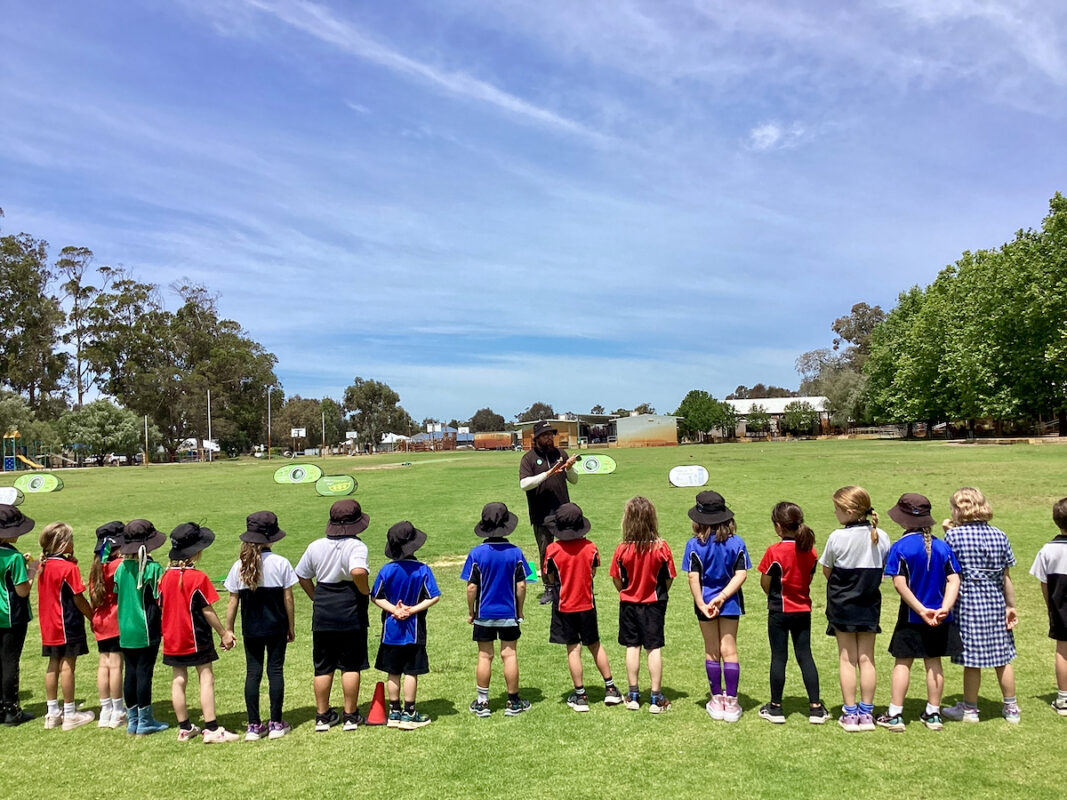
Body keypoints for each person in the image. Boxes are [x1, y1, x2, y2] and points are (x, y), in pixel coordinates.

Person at [876, 494, 962, 732]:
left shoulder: (901, 547)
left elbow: (899, 583)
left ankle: (895, 714)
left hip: (912, 616)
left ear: (903, 521)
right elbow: (954, 579)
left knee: (903, 662)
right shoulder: (942, 546)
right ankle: (933, 714)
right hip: (940, 617)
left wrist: (921, 610)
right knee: (933, 663)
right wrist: (944, 607)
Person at [941, 487, 1020, 723]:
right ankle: (1011, 708)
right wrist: (1010, 606)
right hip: (996, 602)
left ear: (958, 510)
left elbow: (950, 571)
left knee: (972, 661)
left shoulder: (954, 537)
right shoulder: (999, 534)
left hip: (968, 604)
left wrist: (948, 531)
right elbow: (1006, 575)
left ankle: (970, 709)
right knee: (1002, 658)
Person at [296, 499, 372, 732]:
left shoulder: (315, 545)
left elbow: (302, 575)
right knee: (351, 664)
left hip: (324, 606)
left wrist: (316, 596)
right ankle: (350, 715)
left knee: (323, 665)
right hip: (349, 606)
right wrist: (364, 590)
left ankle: (322, 715)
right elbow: (357, 570)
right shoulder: (357, 546)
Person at [819, 485, 890, 732]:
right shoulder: (881, 536)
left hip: (842, 605)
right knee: (867, 658)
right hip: (869, 604)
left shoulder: (837, 537)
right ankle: (867, 713)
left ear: (849, 511)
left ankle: (850, 714)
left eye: (837, 509)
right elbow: (883, 569)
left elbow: (827, 570)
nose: (835, 513)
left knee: (846, 658)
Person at [160, 522, 238, 743]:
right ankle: (211, 728)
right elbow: (208, 610)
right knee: (206, 677)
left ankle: (184, 727)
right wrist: (223, 632)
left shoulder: (164, 577)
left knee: (178, 679)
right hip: (195, 637)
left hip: (172, 637)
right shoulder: (198, 578)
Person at [224, 511, 297, 740]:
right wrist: (291, 625)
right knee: (275, 671)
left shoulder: (240, 566)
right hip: (276, 626)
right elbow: (288, 598)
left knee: (253, 673)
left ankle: (254, 725)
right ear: (271, 538)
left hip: (252, 628)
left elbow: (233, 600)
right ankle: (276, 722)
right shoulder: (281, 563)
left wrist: (229, 629)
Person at [542, 502, 622, 712]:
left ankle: (580, 695)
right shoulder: (591, 547)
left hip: (564, 605)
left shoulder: (552, 550)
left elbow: (551, 576)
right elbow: (593, 571)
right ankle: (611, 688)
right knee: (594, 644)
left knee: (573, 649)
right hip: (586, 603)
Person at [757, 502, 829, 724]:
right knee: (805, 656)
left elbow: (765, 582)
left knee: (779, 657)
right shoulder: (811, 551)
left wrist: (774, 597)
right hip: (803, 610)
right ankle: (816, 708)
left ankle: (776, 708)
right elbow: (807, 579)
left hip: (779, 610)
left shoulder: (774, 552)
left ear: (778, 527)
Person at [683, 491, 749, 722]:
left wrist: (702, 603)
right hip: (730, 601)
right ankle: (731, 703)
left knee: (711, 649)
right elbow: (741, 574)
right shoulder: (736, 542)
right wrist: (723, 596)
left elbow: (693, 577)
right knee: (729, 650)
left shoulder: (694, 544)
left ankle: (716, 699)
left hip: (704, 603)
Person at [461, 502, 531, 717]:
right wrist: (519, 611)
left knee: (485, 655)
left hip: (484, 614)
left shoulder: (477, 553)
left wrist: (471, 612)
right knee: (509, 654)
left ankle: (482, 702)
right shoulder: (515, 552)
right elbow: (521, 585)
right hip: (509, 614)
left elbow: (472, 586)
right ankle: (513, 701)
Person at [371, 521, 441, 730]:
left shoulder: (387, 569)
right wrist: (412, 609)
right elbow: (434, 597)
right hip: (414, 629)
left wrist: (394, 610)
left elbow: (375, 597)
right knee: (411, 671)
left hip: (390, 630)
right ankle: (409, 713)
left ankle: (394, 712)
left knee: (393, 671)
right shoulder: (422, 569)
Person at [610, 496, 676, 714]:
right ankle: (656, 697)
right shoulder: (661, 547)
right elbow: (668, 577)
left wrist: (626, 592)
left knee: (632, 646)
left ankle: (634, 695)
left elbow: (617, 579)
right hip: (654, 604)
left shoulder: (622, 549)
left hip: (629, 604)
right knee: (653, 647)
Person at [37, 522, 95, 730]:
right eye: (70, 540)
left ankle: (52, 712)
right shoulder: (68, 568)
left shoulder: (42, 565)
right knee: (68, 664)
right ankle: (70, 713)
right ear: (62, 544)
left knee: (53, 663)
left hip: (48, 624)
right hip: (67, 623)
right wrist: (92, 617)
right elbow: (78, 598)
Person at [114, 519, 168, 735]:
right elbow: (160, 599)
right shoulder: (153, 568)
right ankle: (145, 720)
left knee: (131, 672)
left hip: (125, 628)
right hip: (146, 628)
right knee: (145, 672)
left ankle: (133, 719)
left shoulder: (120, 568)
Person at [519, 420, 579, 604]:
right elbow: (524, 484)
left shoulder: (560, 454)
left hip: (563, 511)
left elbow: (574, 480)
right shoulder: (528, 459)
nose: (549, 438)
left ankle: (567, 584)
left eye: (550, 435)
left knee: (568, 549)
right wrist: (547, 474)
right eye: (544, 435)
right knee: (546, 551)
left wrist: (569, 469)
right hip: (541, 514)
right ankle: (549, 588)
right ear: (536, 438)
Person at [1030, 496, 1067, 716]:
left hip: (1061, 609)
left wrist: (1050, 608)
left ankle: (1064, 698)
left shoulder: (1047, 550)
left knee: (1063, 651)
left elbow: (1044, 584)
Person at [0, 505, 37, 726]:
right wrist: (32, 569)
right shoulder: (13, 558)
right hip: (11, 615)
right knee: (10, 661)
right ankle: (12, 710)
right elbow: (22, 590)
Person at [88, 520, 126, 729]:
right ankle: (118, 709)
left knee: (103, 665)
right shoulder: (118, 566)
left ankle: (106, 709)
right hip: (116, 620)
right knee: (116, 665)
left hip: (100, 620)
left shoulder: (96, 568)